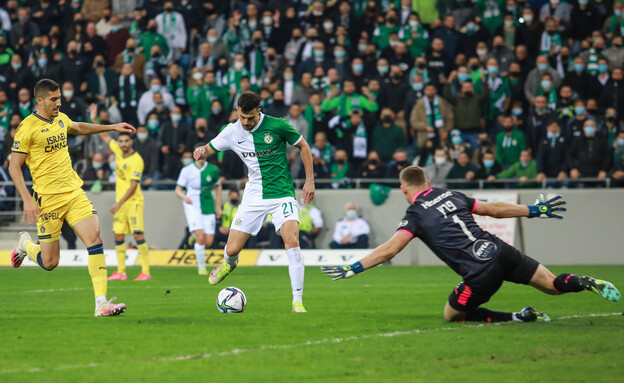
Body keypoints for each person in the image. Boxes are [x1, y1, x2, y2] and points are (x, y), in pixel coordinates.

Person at [322, 166, 621, 324]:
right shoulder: (452, 194)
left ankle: (518, 317)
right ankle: (582, 281)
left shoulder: (414, 214)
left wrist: (354, 267)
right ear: (427, 182)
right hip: (501, 250)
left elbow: (390, 249)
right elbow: (495, 209)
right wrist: (534, 210)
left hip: (480, 272)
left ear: (404, 189)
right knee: (552, 284)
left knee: (452, 315)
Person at [9, 79, 130, 317]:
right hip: (48, 199)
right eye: (54, 99)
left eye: (60, 98)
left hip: (74, 193)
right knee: (50, 263)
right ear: (39, 101)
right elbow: (14, 167)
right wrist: (26, 199)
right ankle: (25, 244)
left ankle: (101, 303)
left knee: (94, 238)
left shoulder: (61, 118)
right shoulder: (27, 127)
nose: (59, 103)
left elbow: (79, 127)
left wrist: (112, 127)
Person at [193, 91, 315, 313]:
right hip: (254, 195)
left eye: (250, 118)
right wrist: (201, 151)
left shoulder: (278, 125)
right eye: (242, 117)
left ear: (259, 111)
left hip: (282, 193)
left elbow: (304, 146)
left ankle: (297, 300)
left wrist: (309, 181)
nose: (246, 122)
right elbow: (209, 149)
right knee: (231, 250)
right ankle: (229, 265)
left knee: (292, 241)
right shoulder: (231, 131)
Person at [98, 131, 151, 281]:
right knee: (118, 235)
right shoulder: (118, 151)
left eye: (126, 141)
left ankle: (146, 272)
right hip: (120, 204)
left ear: (131, 142)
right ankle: (121, 271)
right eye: (120, 141)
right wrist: (95, 120)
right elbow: (106, 137)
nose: (122, 144)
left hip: (133, 202)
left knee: (137, 235)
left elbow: (134, 186)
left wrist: (118, 204)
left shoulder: (137, 160)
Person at [175, 144, 222, 275]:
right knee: (201, 238)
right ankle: (201, 267)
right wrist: (184, 197)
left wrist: (218, 206)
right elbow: (178, 189)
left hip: (208, 203)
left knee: (208, 242)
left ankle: (194, 236)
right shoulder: (187, 170)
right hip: (192, 203)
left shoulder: (213, 170)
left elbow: (218, 186)